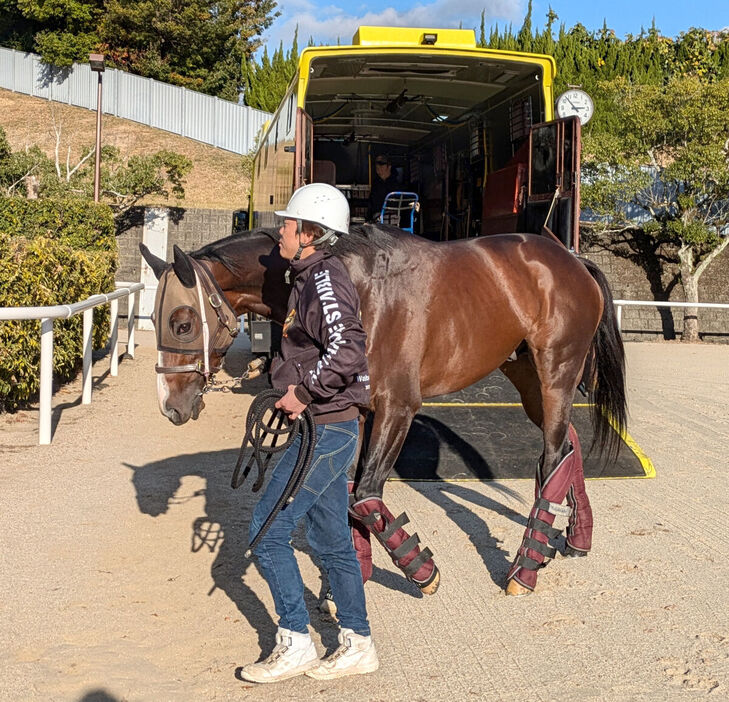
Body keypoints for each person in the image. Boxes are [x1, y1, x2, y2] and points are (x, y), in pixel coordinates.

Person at [241, 183, 378, 684]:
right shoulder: (309, 276)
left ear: (311, 234)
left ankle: (295, 640)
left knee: (267, 531)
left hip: (326, 428)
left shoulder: (323, 279)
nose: (281, 229)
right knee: (330, 540)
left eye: (289, 224)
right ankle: (358, 643)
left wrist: (303, 391)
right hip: (327, 427)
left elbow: (348, 351)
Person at [367, 154, 400, 221]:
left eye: (381, 164)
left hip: (392, 216)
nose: (378, 166)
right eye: (376, 163)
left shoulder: (396, 183)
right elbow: (372, 202)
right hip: (377, 216)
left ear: (389, 166)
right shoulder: (376, 183)